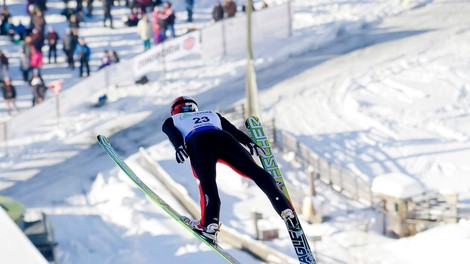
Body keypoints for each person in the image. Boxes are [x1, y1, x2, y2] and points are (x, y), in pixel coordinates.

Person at [162, 96, 298, 242]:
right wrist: (249, 143)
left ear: (174, 110)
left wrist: (179, 146)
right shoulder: (211, 114)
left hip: (199, 143)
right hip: (224, 139)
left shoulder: (173, 120)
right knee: (255, 171)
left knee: (207, 183)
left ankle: (210, 225)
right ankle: (285, 208)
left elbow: (172, 132)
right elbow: (232, 129)